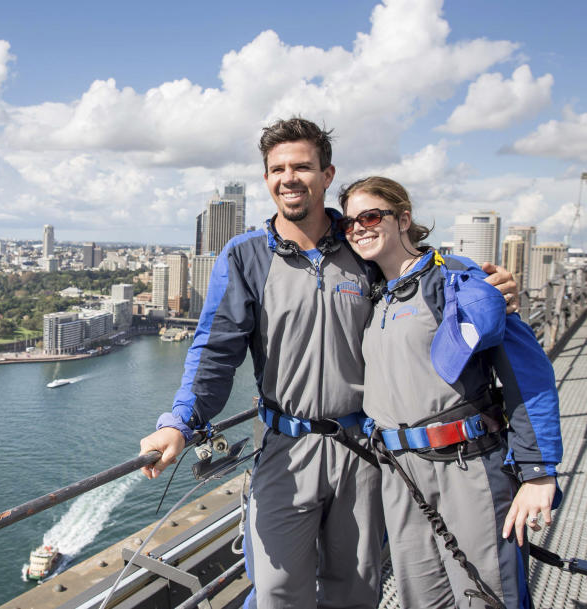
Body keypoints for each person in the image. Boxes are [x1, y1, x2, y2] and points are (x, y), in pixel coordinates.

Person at [138, 118, 518, 608]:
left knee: (355, 590)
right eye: (278, 169)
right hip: (283, 448)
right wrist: (182, 422)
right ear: (267, 178)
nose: (289, 178)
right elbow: (215, 350)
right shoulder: (245, 256)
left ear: (327, 175)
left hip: (362, 449)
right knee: (276, 592)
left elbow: (422, 265)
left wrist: (484, 283)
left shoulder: (364, 244)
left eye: (302, 166)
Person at [338, 176, 562, 608]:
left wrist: (538, 470)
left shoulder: (455, 280)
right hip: (400, 474)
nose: (359, 229)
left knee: (489, 596)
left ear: (404, 219)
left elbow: (525, 371)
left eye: (369, 216)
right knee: (422, 600)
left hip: (467, 465)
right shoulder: (371, 295)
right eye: (349, 223)